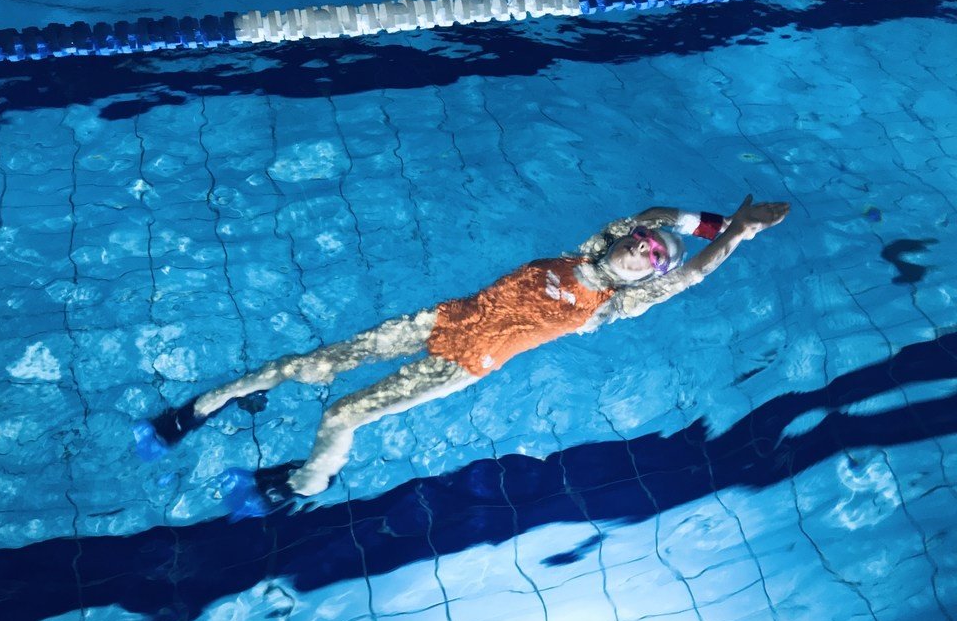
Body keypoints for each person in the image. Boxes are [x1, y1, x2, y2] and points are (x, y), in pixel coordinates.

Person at [134, 195, 789, 515]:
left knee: (340, 415)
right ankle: (198, 410)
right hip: (441, 319)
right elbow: (656, 211)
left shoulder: (614, 304)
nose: (643, 251)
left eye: (652, 258)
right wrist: (710, 219)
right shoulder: (589, 248)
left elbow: (692, 273)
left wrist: (735, 236)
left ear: (649, 277)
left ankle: (306, 485)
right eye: (643, 241)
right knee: (306, 363)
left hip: (459, 363)